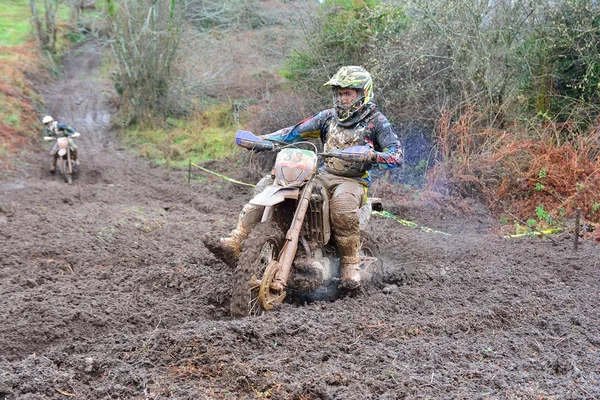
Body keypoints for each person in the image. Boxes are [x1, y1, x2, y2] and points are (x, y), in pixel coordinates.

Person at [213, 66, 403, 288]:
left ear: (363, 94)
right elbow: (293, 132)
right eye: (339, 93)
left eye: (348, 93)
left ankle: (350, 265)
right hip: (322, 174)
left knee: (342, 204)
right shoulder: (328, 117)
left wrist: (371, 154)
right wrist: (261, 139)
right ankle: (238, 239)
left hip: (352, 181)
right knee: (268, 183)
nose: (342, 99)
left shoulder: (376, 121)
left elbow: (396, 155)